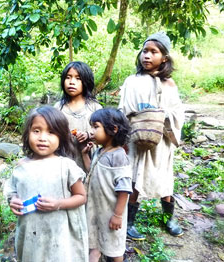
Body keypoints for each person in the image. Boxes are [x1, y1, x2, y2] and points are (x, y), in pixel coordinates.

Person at [118, 32, 185, 240]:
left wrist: (162, 116)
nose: (147, 55)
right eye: (145, 51)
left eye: (153, 52)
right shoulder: (133, 81)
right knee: (136, 177)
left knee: (165, 179)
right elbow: (124, 110)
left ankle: (168, 219)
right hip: (137, 138)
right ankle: (129, 222)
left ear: (164, 57)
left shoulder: (170, 84)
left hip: (163, 141)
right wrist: (130, 132)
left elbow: (177, 113)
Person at [4, 105, 89, 262]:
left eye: (51, 132)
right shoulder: (21, 166)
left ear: (61, 137)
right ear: (27, 133)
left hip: (61, 234)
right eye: (36, 131)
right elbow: (11, 190)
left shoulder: (66, 166)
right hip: (31, 233)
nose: (43, 137)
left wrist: (58, 203)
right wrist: (13, 200)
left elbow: (81, 196)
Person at [82, 108, 132, 262]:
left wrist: (117, 216)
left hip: (111, 212)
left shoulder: (118, 156)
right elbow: (92, 171)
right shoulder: (100, 151)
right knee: (95, 242)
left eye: (96, 127)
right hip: (97, 209)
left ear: (113, 129)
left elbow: (124, 189)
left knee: (114, 247)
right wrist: (84, 154)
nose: (92, 131)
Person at [54, 61, 102, 172]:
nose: (71, 82)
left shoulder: (95, 108)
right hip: (64, 160)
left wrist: (88, 135)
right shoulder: (58, 108)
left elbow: (105, 134)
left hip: (90, 160)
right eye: (68, 77)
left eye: (78, 78)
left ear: (86, 81)